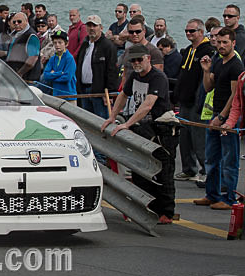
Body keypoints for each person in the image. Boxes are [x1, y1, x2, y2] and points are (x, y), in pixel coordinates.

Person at [102, 44, 178, 225]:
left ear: (148, 59)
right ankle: (146, 207)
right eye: (133, 60)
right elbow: (123, 95)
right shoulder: (135, 76)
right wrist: (112, 117)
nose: (136, 63)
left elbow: (148, 105)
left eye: (139, 59)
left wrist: (127, 124)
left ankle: (166, 212)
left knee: (163, 171)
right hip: (142, 127)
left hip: (162, 129)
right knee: (140, 170)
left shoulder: (158, 78)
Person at [192, 27, 243, 210]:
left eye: (225, 43)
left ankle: (229, 198)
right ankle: (212, 194)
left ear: (233, 43)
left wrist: (222, 117)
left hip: (228, 117)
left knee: (230, 160)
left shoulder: (236, 65)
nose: (221, 46)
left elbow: (235, 96)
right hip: (215, 115)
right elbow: (208, 88)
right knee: (211, 158)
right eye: (219, 42)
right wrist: (206, 71)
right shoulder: (218, 62)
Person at [174, 19, 214, 182]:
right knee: (184, 137)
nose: (189, 34)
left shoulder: (208, 50)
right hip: (184, 100)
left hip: (198, 102)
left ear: (201, 32)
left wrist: (200, 101)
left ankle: (205, 170)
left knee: (199, 138)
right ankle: (188, 169)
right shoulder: (189, 50)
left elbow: (206, 79)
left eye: (192, 31)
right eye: (187, 31)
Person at [75, 15, 118, 120]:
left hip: (100, 92)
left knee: (101, 120)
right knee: (86, 120)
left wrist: (110, 93)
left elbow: (112, 70)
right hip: (84, 90)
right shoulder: (85, 44)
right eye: (89, 26)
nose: (91, 28)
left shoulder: (108, 46)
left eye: (94, 26)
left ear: (101, 28)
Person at [41, 30, 77, 101]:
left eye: (60, 42)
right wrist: (60, 73)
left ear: (66, 44)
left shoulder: (70, 58)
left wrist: (53, 75)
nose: (57, 45)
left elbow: (67, 77)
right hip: (56, 95)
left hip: (69, 96)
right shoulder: (52, 59)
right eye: (55, 43)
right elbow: (45, 75)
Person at [5, 12, 41, 81]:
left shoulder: (32, 36)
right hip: (13, 75)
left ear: (26, 21)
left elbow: (32, 60)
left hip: (26, 79)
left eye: (19, 21)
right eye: (14, 22)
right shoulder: (15, 33)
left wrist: (19, 73)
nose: (16, 24)